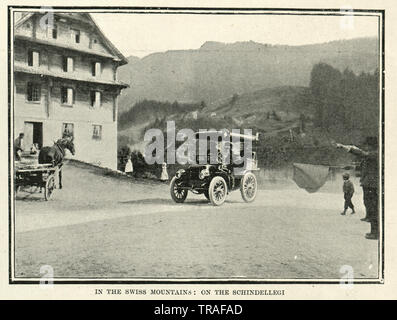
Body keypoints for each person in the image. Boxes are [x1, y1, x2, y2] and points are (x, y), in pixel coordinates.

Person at [336, 137, 379, 240]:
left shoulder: (374, 154)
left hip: (372, 184)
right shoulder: (371, 155)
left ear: (371, 145)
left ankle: (375, 232)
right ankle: (370, 220)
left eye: (366, 145)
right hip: (368, 184)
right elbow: (362, 167)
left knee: (373, 207)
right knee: (368, 204)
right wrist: (348, 168)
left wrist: (345, 147)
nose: (365, 147)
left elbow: (361, 153)